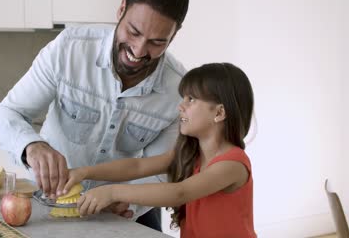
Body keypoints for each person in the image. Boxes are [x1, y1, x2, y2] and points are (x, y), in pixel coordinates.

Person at [0, 0, 189, 231]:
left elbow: (162, 169)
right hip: (51, 206)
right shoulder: (70, 48)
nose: (138, 51)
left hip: (124, 213)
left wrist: (125, 201)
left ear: (174, 35)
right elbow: (4, 114)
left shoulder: (178, 90)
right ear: (121, 9)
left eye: (156, 42)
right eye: (133, 32)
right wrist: (32, 146)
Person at [64, 63, 257, 238]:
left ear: (219, 113)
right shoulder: (190, 155)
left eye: (191, 99)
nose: (181, 106)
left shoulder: (233, 164)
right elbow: (137, 166)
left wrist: (112, 192)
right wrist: (84, 172)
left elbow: (180, 192)